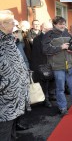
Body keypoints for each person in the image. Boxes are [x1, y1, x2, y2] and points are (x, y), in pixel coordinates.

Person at [42, 16, 72, 116]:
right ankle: (62, 108)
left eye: (64, 23)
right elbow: (45, 50)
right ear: (54, 24)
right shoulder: (48, 35)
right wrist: (60, 47)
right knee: (60, 88)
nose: (63, 25)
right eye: (60, 24)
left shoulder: (67, 32)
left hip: (70, 65)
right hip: (57, 66)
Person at [0, 10, 30, 141]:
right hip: (5, 95)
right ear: (2, 24)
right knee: (4, 129)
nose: (15, 25)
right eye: (12, 22)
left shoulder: (9, 39)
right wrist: (5, 85)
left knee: (11, 125)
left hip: (15, 92)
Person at [31, 21, 55, 108]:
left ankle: (51, 95)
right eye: (50, 29)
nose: (52, 30)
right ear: (44, 29)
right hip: (43, 64)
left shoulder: (53, 37)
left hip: (53, 63)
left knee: (52, 81)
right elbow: (36, 54)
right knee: (45, 82)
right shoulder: (38, 39)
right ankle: (46, 99)